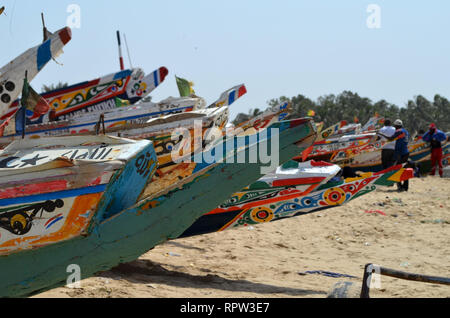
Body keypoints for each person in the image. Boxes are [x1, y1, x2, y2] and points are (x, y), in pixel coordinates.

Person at [378, 119, 410, 191]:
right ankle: (405, 187)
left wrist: (381, 134)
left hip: (400, 153)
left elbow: (390, 138)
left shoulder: (398, 131)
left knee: (397, 169)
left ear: (396, 126)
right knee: (404, 170)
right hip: (406, 152)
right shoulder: (406, 131)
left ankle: (400, 186)